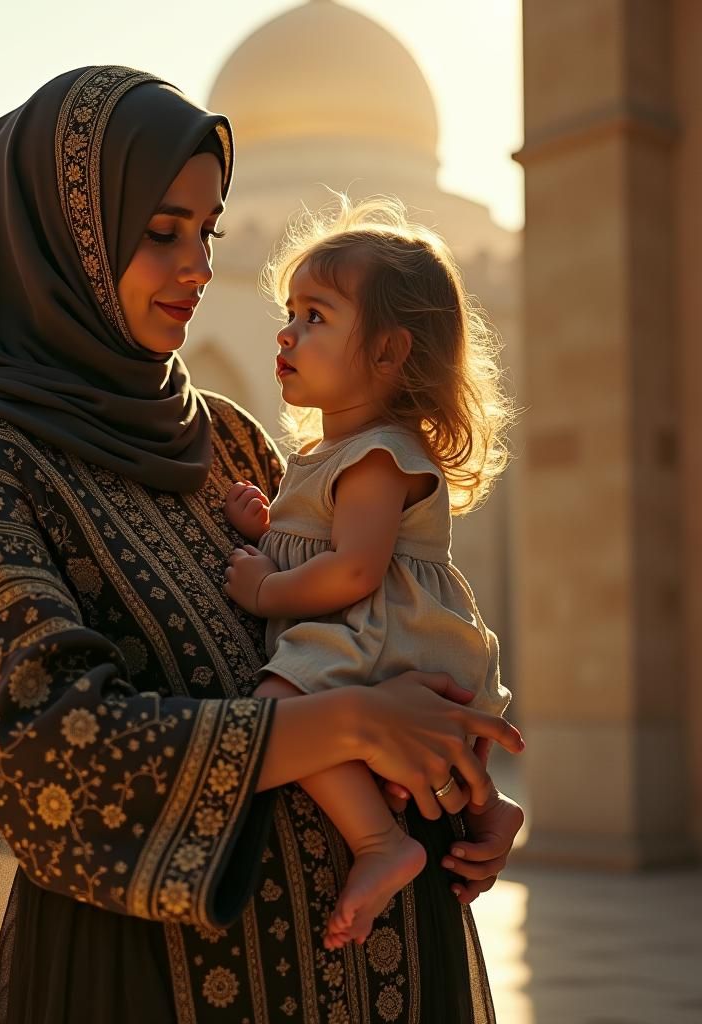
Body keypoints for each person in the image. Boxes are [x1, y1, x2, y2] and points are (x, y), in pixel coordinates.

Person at [0, 66, 526, 1024]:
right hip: (151, 985)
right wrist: (357, 726)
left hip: (385, 977)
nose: (200, 270)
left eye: (208, 232)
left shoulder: (223, 436)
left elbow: (361, 634)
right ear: (67, 239)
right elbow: (46, 757)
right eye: (160, 232)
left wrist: (458, 791)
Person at [223, 197, 522, 953]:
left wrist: (263, 587)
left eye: (317, 316)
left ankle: (379, 843)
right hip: (393, 633)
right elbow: (325, 542)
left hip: (392, 630)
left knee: (280, 702)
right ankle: (492, 812)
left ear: (388, 354)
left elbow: (353, 571)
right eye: (290, 311)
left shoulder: (380, 455)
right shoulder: (336, 457)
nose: (288, 331)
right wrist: (272, 529)